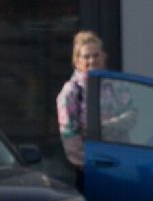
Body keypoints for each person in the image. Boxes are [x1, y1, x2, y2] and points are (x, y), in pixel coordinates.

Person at [55, 30, 135, 191]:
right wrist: (93, 166)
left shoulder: (116, 85)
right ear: (77, 61)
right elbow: (70, 138)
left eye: (96, 54)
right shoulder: (70, 92)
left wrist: (104, 128)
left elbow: (132, 116)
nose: (92, 60)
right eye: (86, 56)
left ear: (103, 56)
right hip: (91, 172)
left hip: (121, 166)